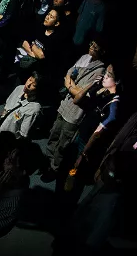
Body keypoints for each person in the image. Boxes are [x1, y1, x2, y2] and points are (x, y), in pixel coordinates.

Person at [44, 38, 107, 178]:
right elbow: (69, 73)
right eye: (91, 44)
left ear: (101, 51)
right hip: (65, 104)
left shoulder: (100, 71)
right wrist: (71, 85)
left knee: (63, 143)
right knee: (54, 133)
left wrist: (71, 85)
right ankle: (47, 160)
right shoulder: (85, 57)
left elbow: (82, 94)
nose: (91, 47)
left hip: (75, 112)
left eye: (95, 47)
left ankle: (55, 168)